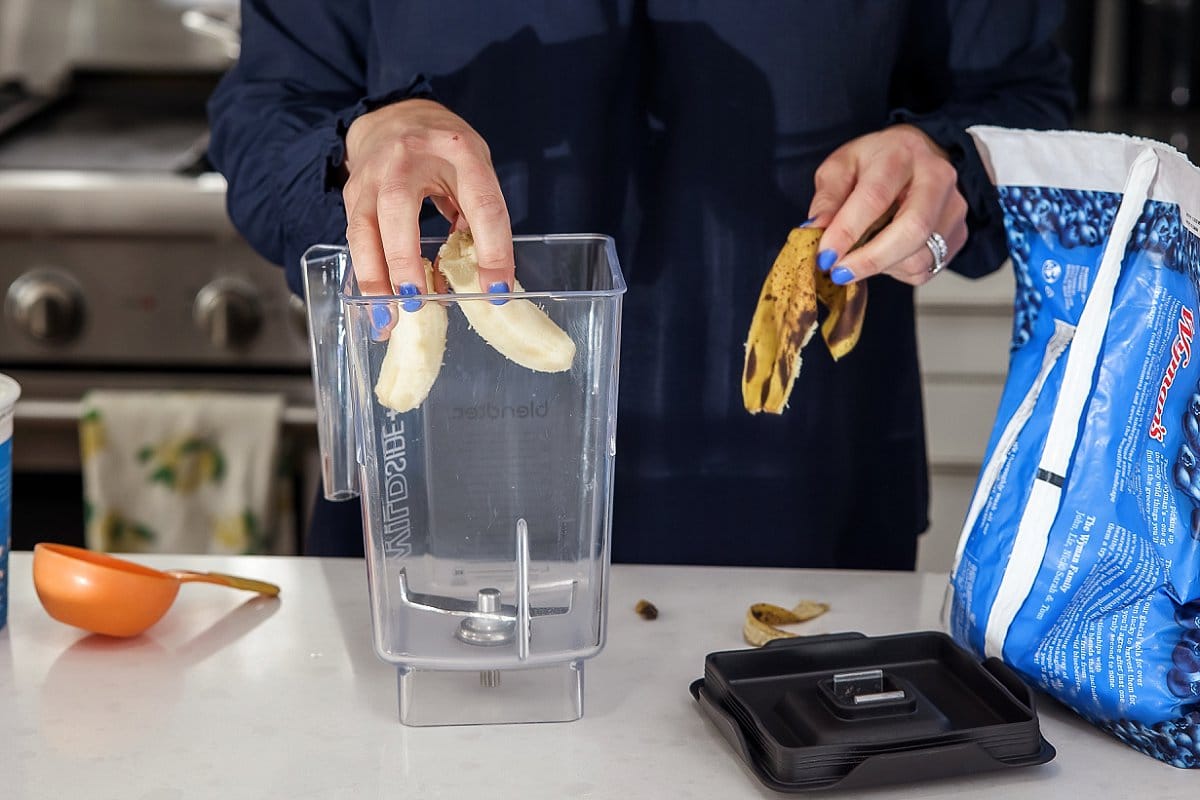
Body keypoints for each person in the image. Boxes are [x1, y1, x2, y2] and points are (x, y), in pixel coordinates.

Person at [208, 2, 1073, 568]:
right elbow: (263, 114)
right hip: (430, 517)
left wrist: (949, 162)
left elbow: (1024, 101)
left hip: (804, 509)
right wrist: (364, 142)